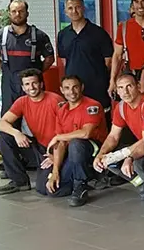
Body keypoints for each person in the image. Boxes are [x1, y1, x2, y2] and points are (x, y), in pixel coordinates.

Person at [40, 75, 109, 207]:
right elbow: (60, 144)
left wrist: (58, 137)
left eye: (75, 87)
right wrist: (55, 172)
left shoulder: (92, 105)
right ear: (61, 90)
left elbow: (85, 133)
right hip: (72, 154)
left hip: (93, 152)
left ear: (81, 87)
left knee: (76, 143)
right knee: (48, 189)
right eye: (67, 88)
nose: (71, 92)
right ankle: (90, 179)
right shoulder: (62, 110)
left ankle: (81, 185)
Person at [0, 69, 62, 196]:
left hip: (56, 149)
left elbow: (68, 131)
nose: (31, 87)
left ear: (41, 84)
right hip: (38, 147)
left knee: (43, 189)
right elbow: (1, 123)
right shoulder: (22, 101)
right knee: (5, 136)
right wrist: (16, 133)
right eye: (27, 84)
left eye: (34, 83)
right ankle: (20, 182)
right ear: (23, 87)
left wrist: (56, 157)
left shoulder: (55, 100)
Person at [92, 72, 144, 186]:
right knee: (108, 160)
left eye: (129, 86)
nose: (125, 92)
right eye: (121, 87)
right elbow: (113, 136)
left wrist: (123, 154)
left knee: (137, 163)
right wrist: (101, 154)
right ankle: (140, 183)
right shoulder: (120, 106)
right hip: (143, 146)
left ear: (138, 86)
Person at [0, 0, 55, 116]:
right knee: (9, 120)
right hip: (9, 86)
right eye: (13, 11)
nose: (17, 14)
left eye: (21, 11)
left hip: (33, 87)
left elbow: (50, 58)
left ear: (27, 13)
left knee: (36, 119)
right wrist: (6, 71)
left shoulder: (40, 36)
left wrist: (37, 73)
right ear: (9, 14)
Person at [57, 0, 114, 119]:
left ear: (83, 8)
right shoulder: (62, 35)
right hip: (73, 90)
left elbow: (108, 62)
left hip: (96, 87)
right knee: (76, 121)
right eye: (70, 8)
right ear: (65, 12)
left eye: (77, 7)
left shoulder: (99, 33)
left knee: (100, 120)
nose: (74, 11)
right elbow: (64, 61)